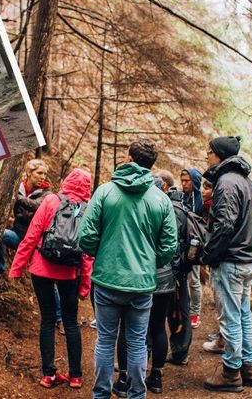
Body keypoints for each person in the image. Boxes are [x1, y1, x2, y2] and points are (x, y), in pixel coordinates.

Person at [79, 139, 178, 399]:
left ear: (129, 158)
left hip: (107, 280)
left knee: (105, 341)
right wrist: (148, 263)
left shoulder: (105, 192)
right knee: (136, 342)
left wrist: (102, 255)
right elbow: (169, 246)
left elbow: (86, 236)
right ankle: (137, 395)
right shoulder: (161, 199)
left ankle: (101, 394)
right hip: (142, 284)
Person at [9, 168, 93, 389]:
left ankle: (49, 375)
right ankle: (75, 376)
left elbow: (31, 236)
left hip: (41, 268)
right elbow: (87, 253)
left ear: (67, 182)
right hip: (70, 273)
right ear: (87, 187)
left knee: (47, 319)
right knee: (71, 323)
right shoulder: (89, 210)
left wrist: (17, 268)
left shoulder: (51, 201)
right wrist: (85, 285)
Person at [201, 136, 252, 393]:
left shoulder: (226, 183)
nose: (207, 156)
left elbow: (224, 225)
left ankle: (231, 372)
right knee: (244, 314)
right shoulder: (248, 183)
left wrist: (209, 254)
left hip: (232, 260)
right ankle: (250, 368)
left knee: (231, 317)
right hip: (248, 260)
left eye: (209, 152)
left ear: (219, 155)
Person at [112, 175, 179, 396]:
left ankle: (123, 378)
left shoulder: (138, 207)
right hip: (163, 278)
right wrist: (161, 265)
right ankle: (156, 377)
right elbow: (172, 245)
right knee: (158, 327)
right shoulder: (166, 207)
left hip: (138, 277)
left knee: (127, 328)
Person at [155, 170, 192, 367]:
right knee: (172, 311)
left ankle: (180, 352)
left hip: (174, 270)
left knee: (177, 310)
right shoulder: (174, 205)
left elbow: (174, 243)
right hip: (175, 268)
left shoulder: (173, 208)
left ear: (165, 186)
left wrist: (176, 273)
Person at [0, 159, 51, 275]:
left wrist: (16, 196)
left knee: (45, 278)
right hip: (20, 236)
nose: (43, 177)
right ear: (29, 173)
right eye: (39, 173)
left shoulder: (47, 194)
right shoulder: (19, 187)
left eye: (45, 174)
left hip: (35, 245)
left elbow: (34, 205)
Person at [180, 167, 204, 329]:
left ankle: (195, 313)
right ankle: (184, 311)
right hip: (182, 243)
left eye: (187, 181)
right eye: (182, 180)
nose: (183, 184)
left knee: (194, 280)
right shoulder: (181, 197)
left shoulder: (200, 200)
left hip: (195, 244)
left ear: (194, 181)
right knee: (182, 278)